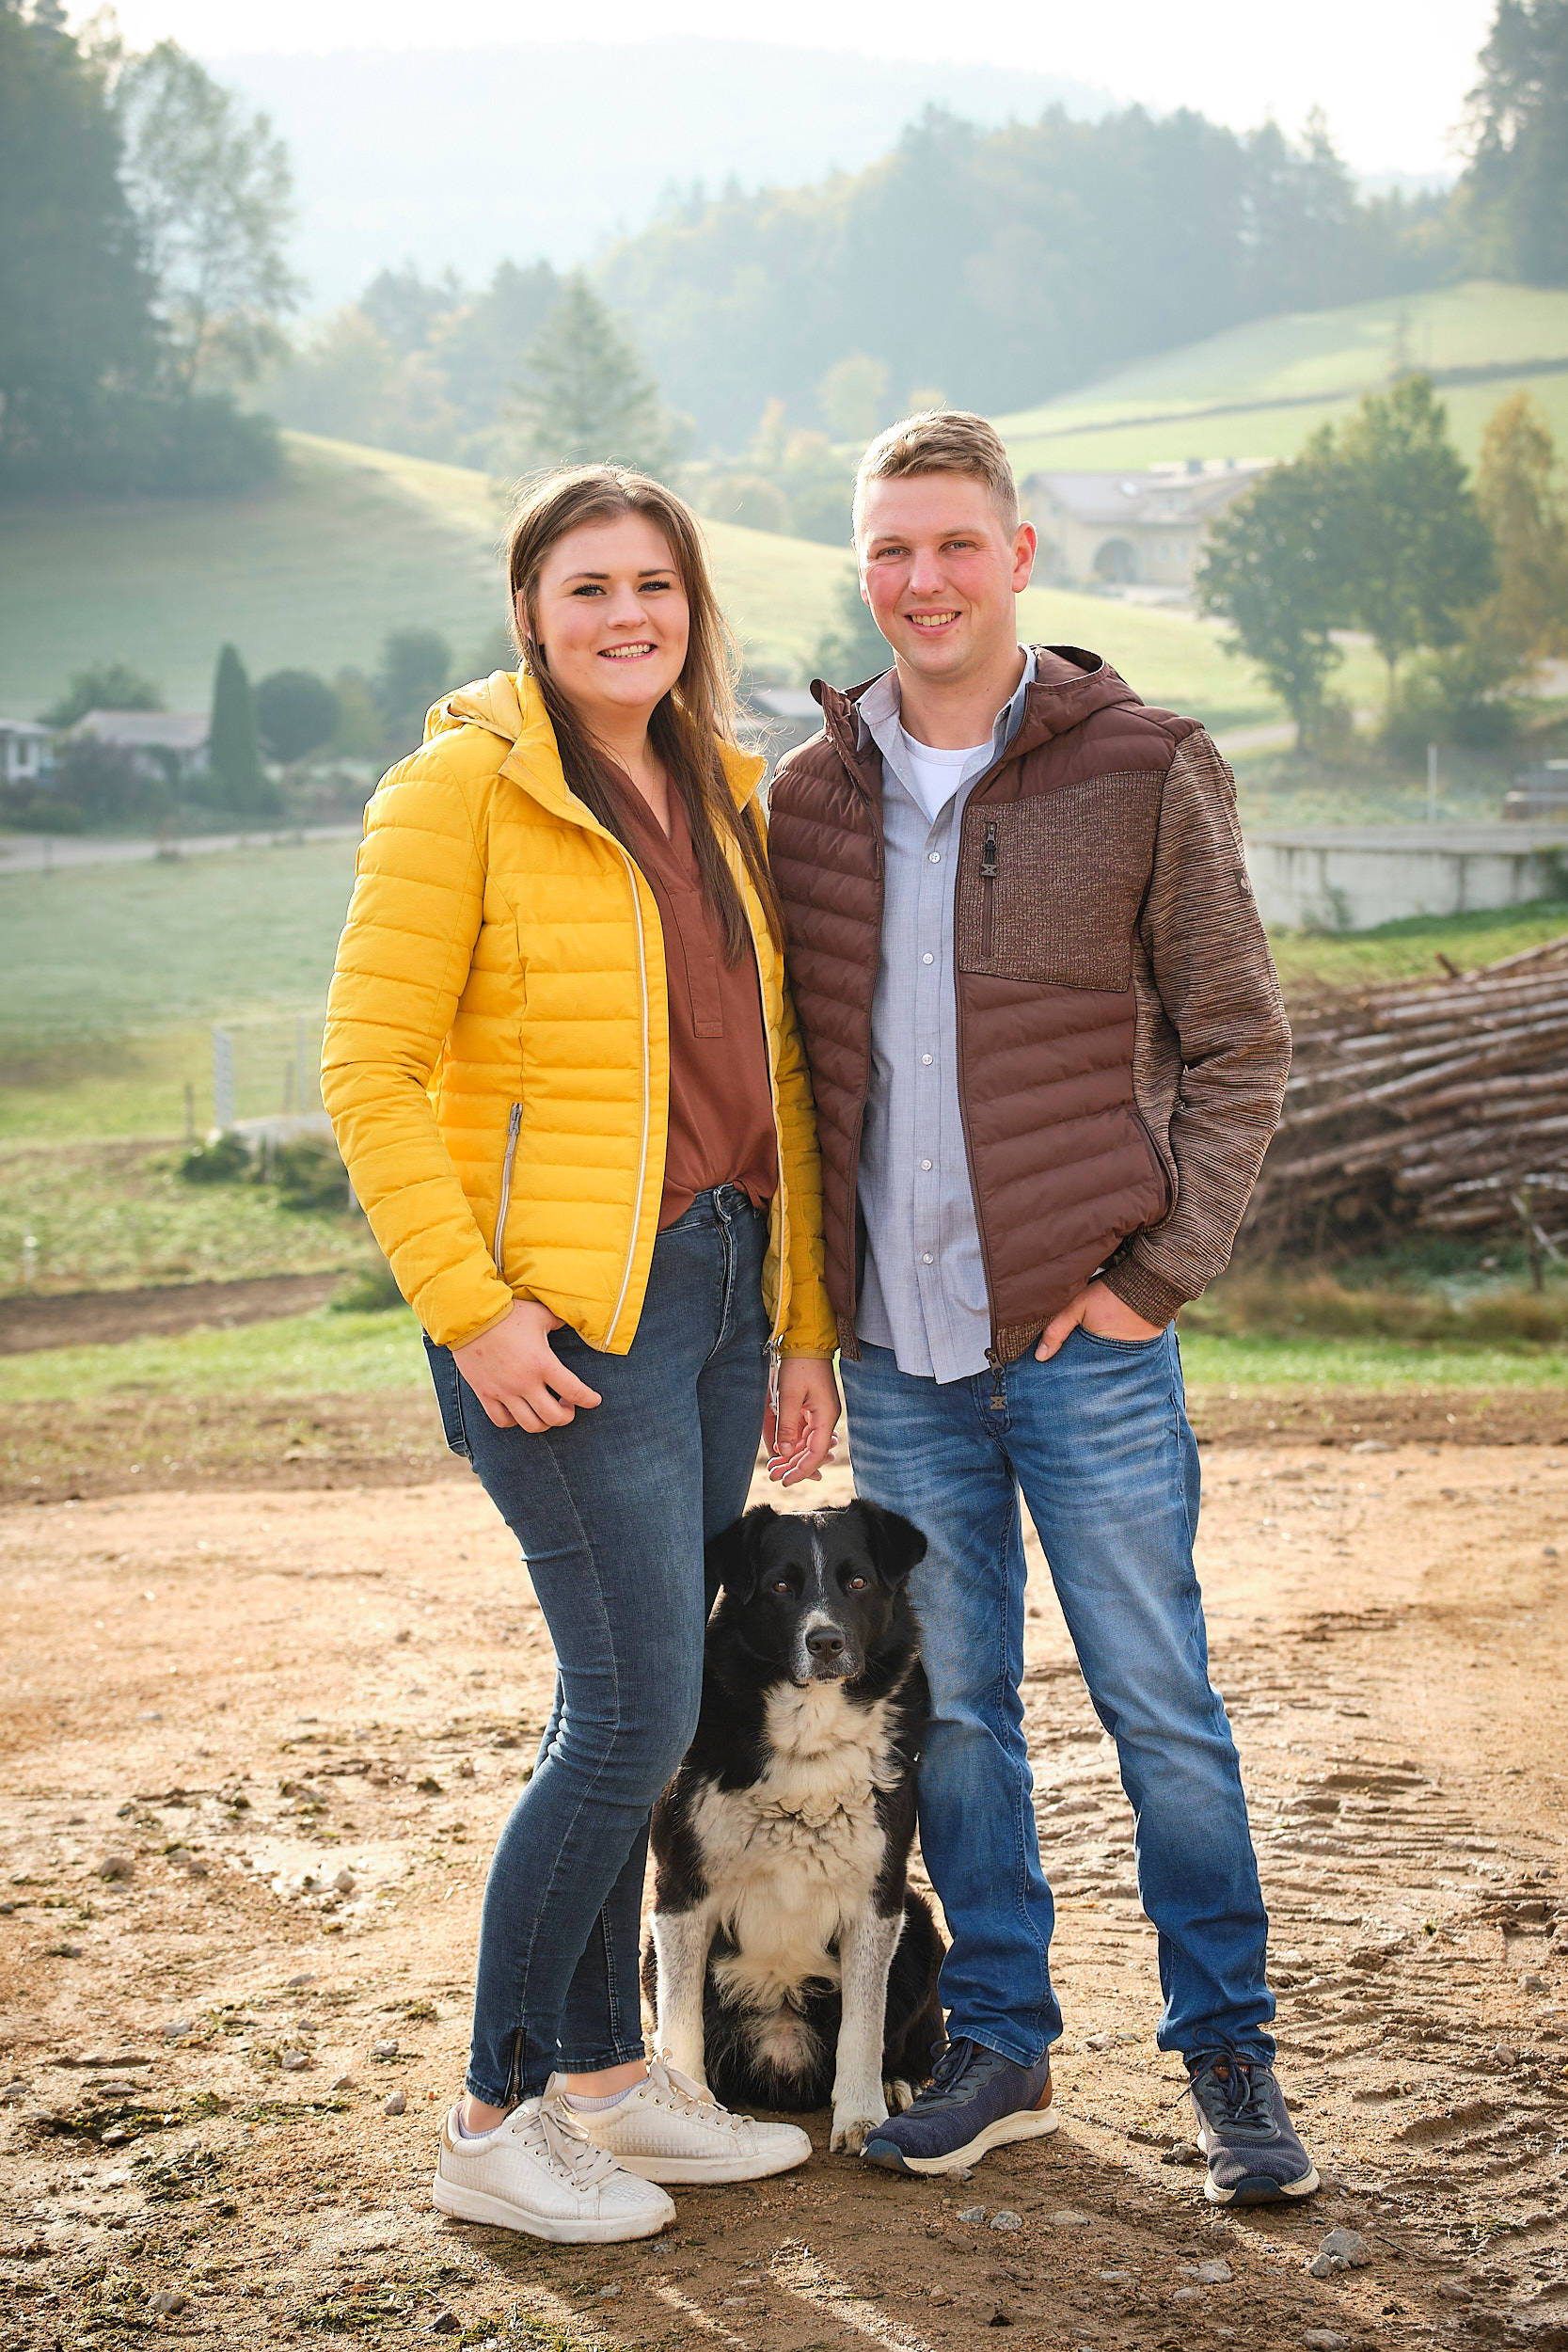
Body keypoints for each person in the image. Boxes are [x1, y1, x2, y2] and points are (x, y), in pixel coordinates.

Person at [766, 411, 1318, 2206]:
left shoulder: (1147, 765)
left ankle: (1226, 2048)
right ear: (865, 571)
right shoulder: (807, 797)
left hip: (1087, 1348)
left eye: (952, 544)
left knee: (1161, 1703)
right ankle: (1003, 2041)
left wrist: (1155, 1279)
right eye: (887, 551)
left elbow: (1240, 1040)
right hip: (900, 1362)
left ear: (1018, 557)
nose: (919, 581)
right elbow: (790, 1083)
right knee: (963, 1715)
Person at [322, 464, 841, 2244]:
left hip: (712, 1288)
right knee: (632, 1717)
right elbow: (369, 1071)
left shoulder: (720, 787)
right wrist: (470, 1307)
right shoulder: (458, 788)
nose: (627, 614)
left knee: (646, 1703)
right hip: (561, 1325)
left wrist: (796, 1319)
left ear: (693, 606)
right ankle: (493, 2108)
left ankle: (608, 2085)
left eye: (655, 584)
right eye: (587, 587)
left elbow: (773, 1085)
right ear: (530, 613)